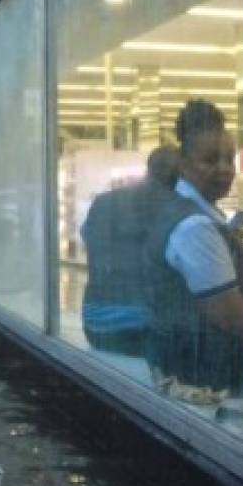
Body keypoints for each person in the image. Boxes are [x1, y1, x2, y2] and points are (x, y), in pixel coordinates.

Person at [144, 100, 243, 398]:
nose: (225, 169)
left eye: (230, 159)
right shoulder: (194, 227)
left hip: (187, 369)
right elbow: (232, 318)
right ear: (183, 163)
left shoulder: (185, 211)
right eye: (210, 160)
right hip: (204, 383)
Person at [80, 145, 180, 356]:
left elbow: (88, 238)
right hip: (141, 333)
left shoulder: (103, 201)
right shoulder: (171, 207)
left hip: (94, 326)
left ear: (149, 169)